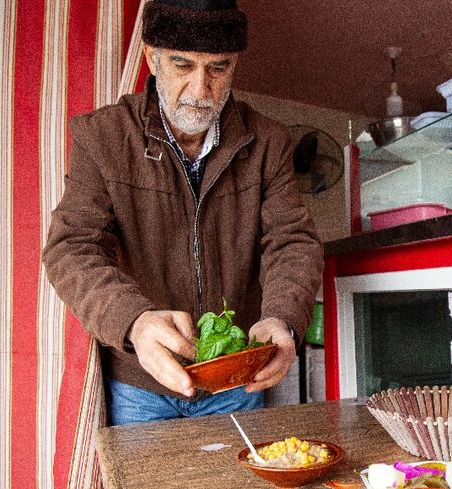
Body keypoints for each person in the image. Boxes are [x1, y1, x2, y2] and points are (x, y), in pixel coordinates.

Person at [42, 0, 324, 426]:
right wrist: (134, 323)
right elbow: (71, 247)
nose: (200, 90)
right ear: (151, 58)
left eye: (218, 68)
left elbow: (292, 240)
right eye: (182, 65)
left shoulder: (269, 142)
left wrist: (282, 319)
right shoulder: (101, 136)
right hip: (141, 382)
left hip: (234, 378)